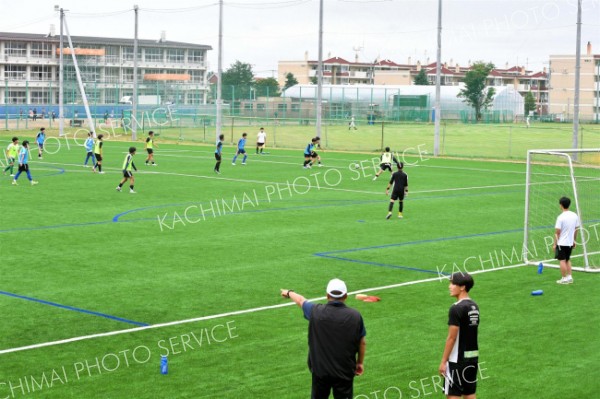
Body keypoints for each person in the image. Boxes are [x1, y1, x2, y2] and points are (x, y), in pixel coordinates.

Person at [280, 278, 366, 399]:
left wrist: (288, 292)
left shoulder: (316, 311)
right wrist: (360, 363)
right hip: (344, 372)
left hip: (320, 371)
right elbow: (362, 342)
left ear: (327, 295)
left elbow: (300, 300)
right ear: (345, 296)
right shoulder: (355, 316)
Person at [439, 272, 480, 399]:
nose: (449, 286)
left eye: (452, 283)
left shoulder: (456, 308)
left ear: (462, 287)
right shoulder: (474, 306)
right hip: (472, 358)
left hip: (457, 360)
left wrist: (443, 361)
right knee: (469, 393)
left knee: (453, 394)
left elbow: (452, 337)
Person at [553, 196, 580, 284]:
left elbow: (557, 232)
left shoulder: (560, 217)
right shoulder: (574, 215)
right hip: (570, 242)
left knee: (562, 260)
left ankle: (564, 279)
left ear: (561, 205)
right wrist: (574, 241)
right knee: (567, 259)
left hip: (562, 242)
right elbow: (576, 229)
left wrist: (554, 244)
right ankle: (570, 277)